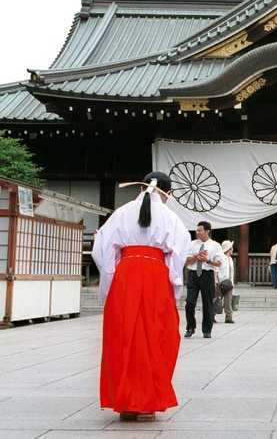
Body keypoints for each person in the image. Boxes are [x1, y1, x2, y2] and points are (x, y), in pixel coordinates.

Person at [92, 172, 190, 421]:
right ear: (168, 192)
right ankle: (148, 401)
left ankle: (124, 401)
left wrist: (109, 283)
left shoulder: (122, 212)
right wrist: (174, 288)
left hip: (126, 275)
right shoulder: (171, 218)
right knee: (157, 336)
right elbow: (177, 257)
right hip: (156, 276)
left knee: (123, 336)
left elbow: (102, 249)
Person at [184, 221, 224, 339]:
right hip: (193, 274)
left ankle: (207, 330)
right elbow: (186, 261)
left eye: (200, 230)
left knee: (207, 303)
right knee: (190, 302)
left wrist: (207, 260)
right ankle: (190, 327)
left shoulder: (215, 245)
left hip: (207, 274)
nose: (197, 232)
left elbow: (219, 263)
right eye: (197, 230)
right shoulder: (192, 244)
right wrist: (197, 257)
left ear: (207, 231)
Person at [219, 240, 235, 324]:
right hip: (221, 282)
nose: (232, 250)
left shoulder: (231, 259)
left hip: (229, 283)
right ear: (228, 249)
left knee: (228, 301)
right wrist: (217, 281)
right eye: (231, 248)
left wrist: (232, 284)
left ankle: (228, 317)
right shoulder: (220, 257)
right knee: (217, 300)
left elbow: (231, 272)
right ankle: (212, 315)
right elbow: (217, 269)